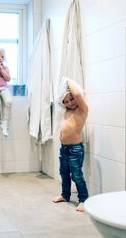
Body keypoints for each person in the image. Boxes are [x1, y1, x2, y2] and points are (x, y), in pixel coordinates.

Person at [52, 78, 89, 212]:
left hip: (75, 149)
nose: (70, 103)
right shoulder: (67, 111)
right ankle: (65, 195)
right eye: (66, 101)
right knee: (64, 173)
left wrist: (67, 81)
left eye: (71, 99)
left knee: (77, 175)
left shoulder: (82, 110)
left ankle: (84, 200)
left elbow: (78, 95)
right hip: (64, 149)